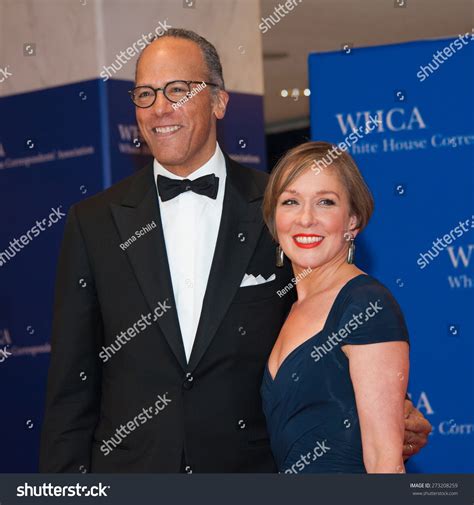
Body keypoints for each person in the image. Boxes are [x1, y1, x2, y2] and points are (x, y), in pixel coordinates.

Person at [39, 29, 430, 473]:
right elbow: (71, 386)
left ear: (220, 101)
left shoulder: (281, 210)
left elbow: (327, 323)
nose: (159, 108)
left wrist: (386, 404)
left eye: (178, 90)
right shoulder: (94, 222)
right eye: (145, 94)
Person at [261, 141, 414, 473]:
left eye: (325, 202)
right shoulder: (289, 308)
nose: (305, 218)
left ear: (353, 221)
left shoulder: (365, 304)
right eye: (290, 202)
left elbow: (384, 463)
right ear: (274, 219)